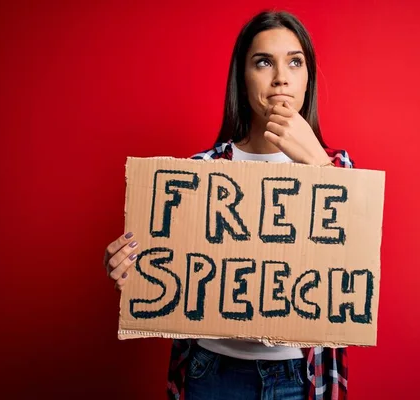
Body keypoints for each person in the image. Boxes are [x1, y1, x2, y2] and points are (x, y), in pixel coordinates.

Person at [103, 10, 354, 400]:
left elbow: (356, 267)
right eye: (263, 62)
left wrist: (316, 163)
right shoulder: (200, 173)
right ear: (242, 76)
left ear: (308, 79)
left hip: (300, 376)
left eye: (294, 61)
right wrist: (132, 268)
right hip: (212, 373)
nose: (281, 77)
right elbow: (168, 269)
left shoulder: (340, 170)